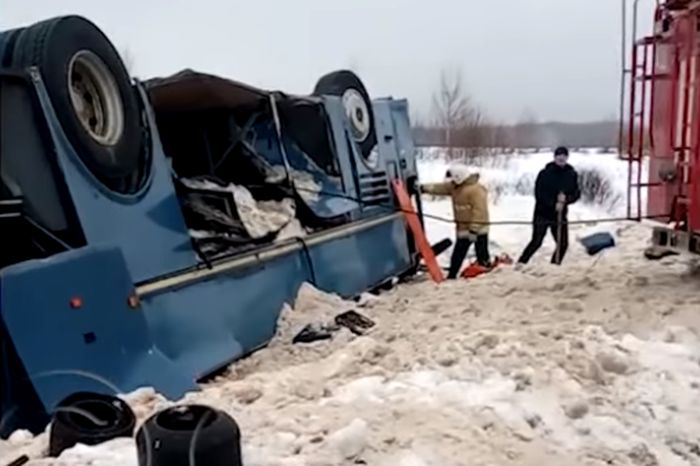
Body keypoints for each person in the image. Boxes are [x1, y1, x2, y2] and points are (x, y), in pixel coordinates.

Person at [421, 164, 491, 279]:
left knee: (481, 253)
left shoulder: (476, 190)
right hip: (463, 228)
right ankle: (452, 274)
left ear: (459, 177)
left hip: (478, 229)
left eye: (454, 179)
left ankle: (485, 273)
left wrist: (474, 230)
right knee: (458, 253)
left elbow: (480, 211)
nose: (452, 182)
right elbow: (441, 188)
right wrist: (423, 188)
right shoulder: (456, 187)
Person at [518, 146, 580, 266]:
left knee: (563, 244)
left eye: (564, 156)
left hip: (560, 215)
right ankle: (521, 262)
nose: (561, 158)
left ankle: (554, 266)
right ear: (554, 157)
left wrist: (566, 200)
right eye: (559, 155)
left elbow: (576, 193)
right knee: (537, 241)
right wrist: (553, 204)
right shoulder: (545, 173)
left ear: (567, 157)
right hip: (542, 214)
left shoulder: (571, 174)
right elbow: (539, 193)